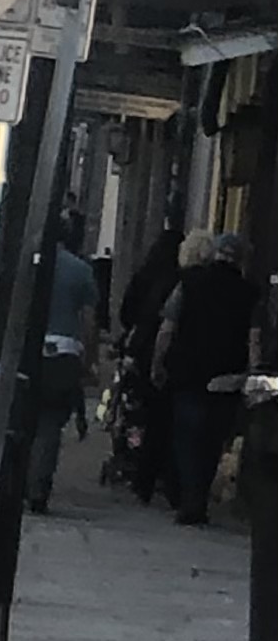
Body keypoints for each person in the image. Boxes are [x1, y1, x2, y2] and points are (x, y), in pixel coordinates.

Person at [155, 230, 263, 526]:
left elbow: (168, 327)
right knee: (213, 442)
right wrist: (253, 376)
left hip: (189, 373)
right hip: (228, 377)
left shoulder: (189, 283)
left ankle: (191, 497)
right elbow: (254, 339)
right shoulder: (250, 293)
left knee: (187, 439)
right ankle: (198, 494)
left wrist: (158, 363)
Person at [26, 212, 99, 514]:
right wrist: (89, 359)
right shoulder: (80, 270)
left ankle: (17, 479)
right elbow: (90, 321)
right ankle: (38, 487)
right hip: (64, 352)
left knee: (23, 419)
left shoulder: (27, 265)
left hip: (28, 349)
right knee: (50, 425)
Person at [116, 224, 184, 504]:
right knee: (166, 419)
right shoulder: (180, 281)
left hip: (143, 352)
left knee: (142, 413)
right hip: (170, 356)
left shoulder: (145, 275)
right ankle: (162, 477)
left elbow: (126, 312)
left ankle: (139, 467)